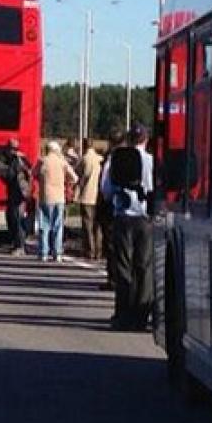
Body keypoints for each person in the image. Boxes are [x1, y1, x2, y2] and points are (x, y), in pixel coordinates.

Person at [101, 122, 154, 331]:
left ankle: (123, 314)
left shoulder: (116, 159)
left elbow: (106, 190)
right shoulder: (152, 161)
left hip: (123, 218)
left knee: (123, 266)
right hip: (145, 219)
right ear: (146, 139)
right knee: (144, 267)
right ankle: (141, 315)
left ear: (130, 138)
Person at [34, 140, 77, 262]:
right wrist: (65, 182)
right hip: (59, 197)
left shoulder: (42, 161)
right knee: (58, 226)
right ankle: (57, 252)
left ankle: (43, 252)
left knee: (44, 225)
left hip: (45, 197)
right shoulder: (62, 162)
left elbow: (33, 173)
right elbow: (75, 177)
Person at [95, 129, 125, 291]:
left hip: (111, 207)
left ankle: (113, 278)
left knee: (111, 244)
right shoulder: (134, 157)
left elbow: (106, 186)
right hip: (128, 208)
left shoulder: (112, 160)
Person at [3, 138, 32, 256]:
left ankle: (19, 246)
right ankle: (18, 244)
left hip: (17, 193)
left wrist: (3, 178)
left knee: (16, 220)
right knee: (15, 218)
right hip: (21, 193)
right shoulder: (23, 158)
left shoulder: (15, 160)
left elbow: (11, 175)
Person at [76, 139, 105, 260]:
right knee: (97, 225)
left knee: (87, 224)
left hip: (87, 195)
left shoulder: (84, 159)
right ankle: (99, 250)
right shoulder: (100, 159)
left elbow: (78, 174)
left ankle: (89, 250)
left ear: (84, 146)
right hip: (99, 195)